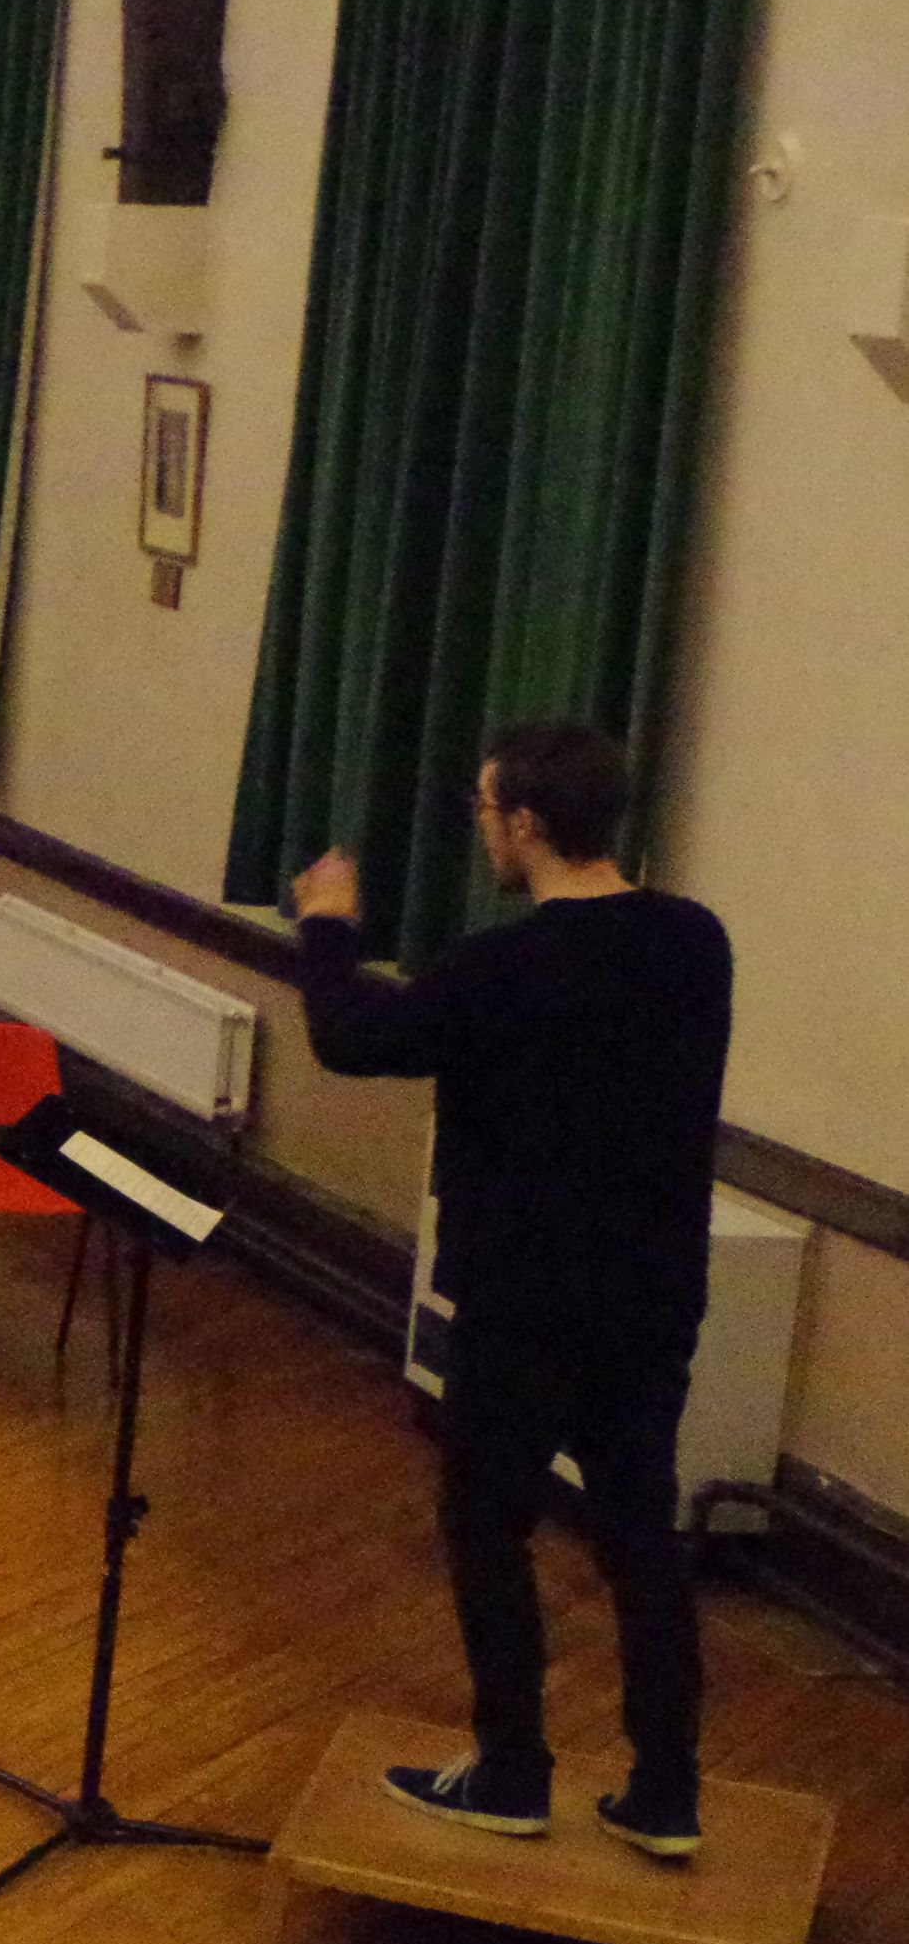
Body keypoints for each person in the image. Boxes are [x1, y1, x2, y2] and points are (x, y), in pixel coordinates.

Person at [291, 719, 729, 1858]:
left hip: (522, 1299)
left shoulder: (499, 969)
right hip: (649, 1294)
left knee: (487, 1526)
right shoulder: (695, 943)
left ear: (527, 822)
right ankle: (667, 1792)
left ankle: (513, 1770)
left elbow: (350, 1038)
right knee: (640, 1533)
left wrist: (325, 927)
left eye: (486, 811)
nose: (481, 829)